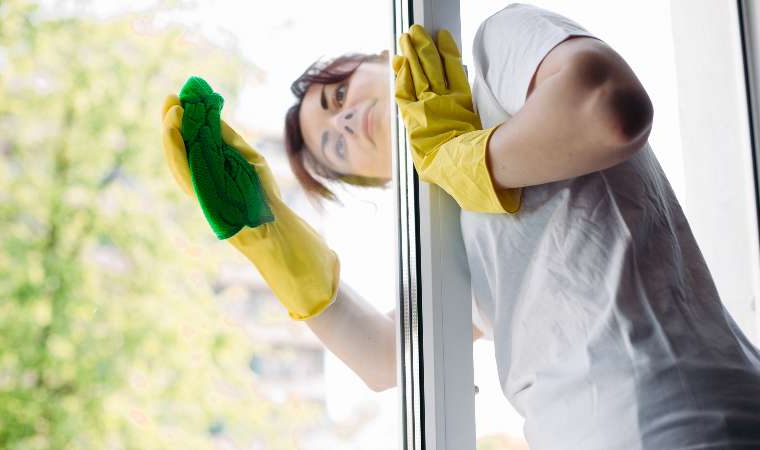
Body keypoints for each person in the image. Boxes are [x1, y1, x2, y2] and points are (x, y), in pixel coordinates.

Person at [162, 3, 760, 449]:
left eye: (339, 94)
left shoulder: (501, 53)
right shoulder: (444, 239)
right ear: (377, 182)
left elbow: (610, 111)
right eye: (335, 149)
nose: (344, 121)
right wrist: (269, 240)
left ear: (379, 62)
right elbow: (381, 358)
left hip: (682, 412)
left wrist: (465, 154)